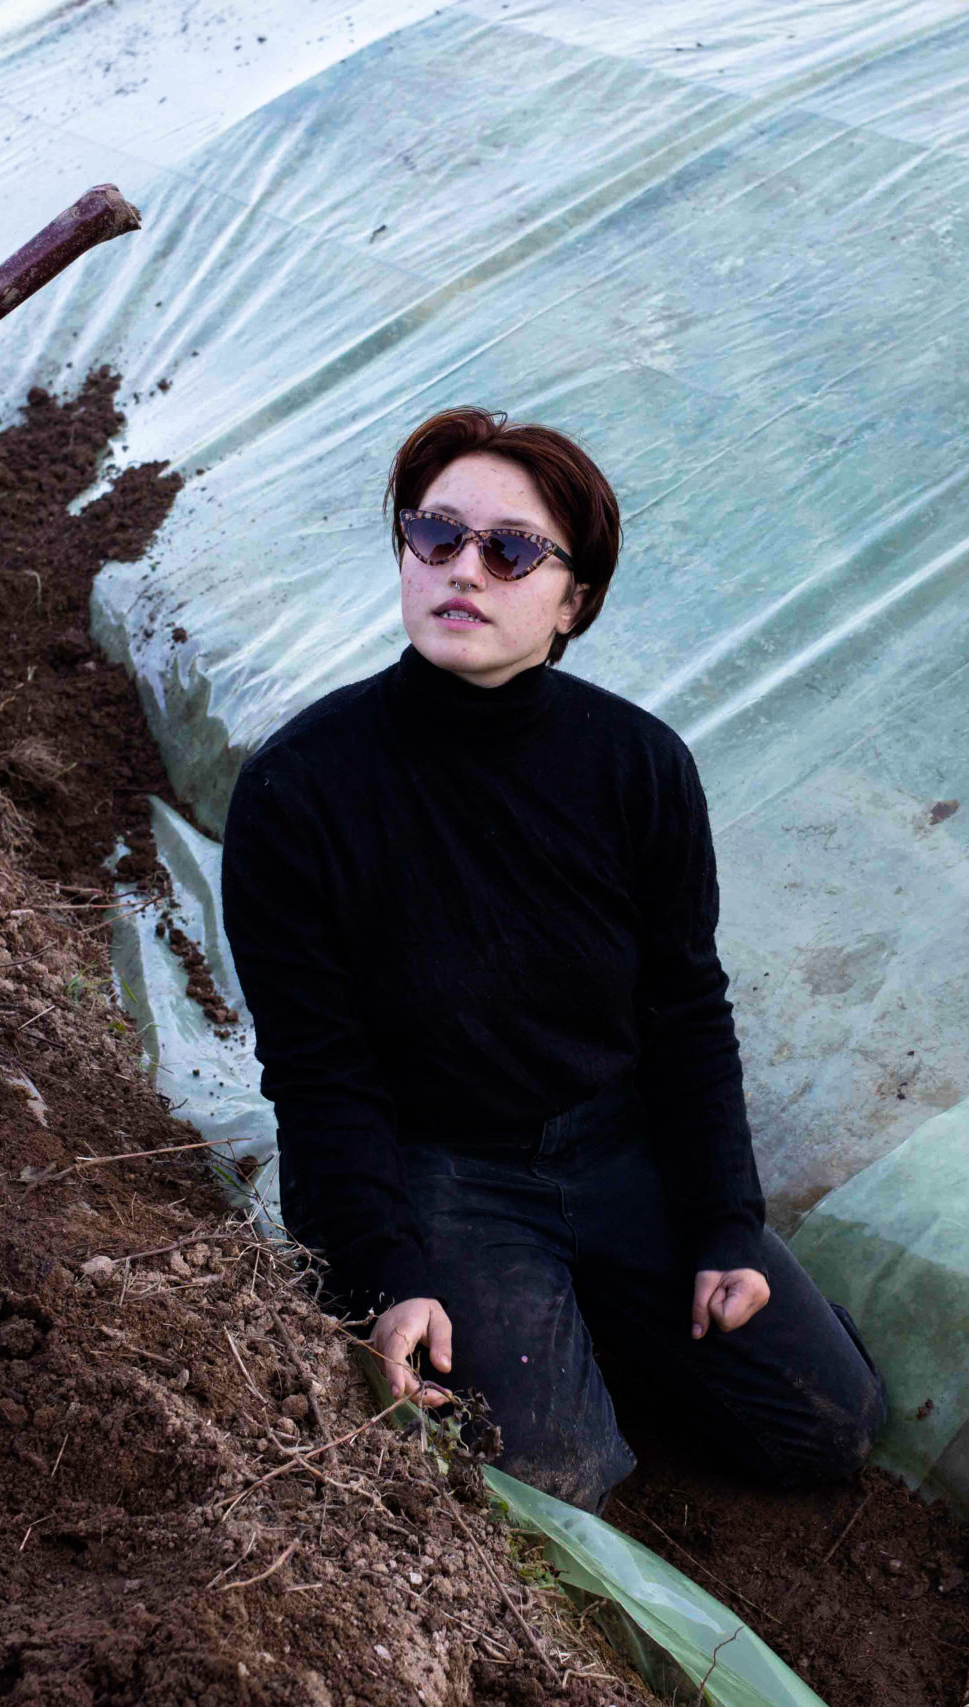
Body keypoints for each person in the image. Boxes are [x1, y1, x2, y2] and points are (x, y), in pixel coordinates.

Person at [220, 406, 887, 1510]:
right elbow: (318, 1068)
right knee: (552, 1484)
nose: (463, 568)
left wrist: (725, 1222)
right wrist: (388, 1272)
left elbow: (686, 1007)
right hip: (439, 1169)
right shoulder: (301, 791)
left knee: (833, 1425)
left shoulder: (637, 766)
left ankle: (602, 1313)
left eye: (512, 549)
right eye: (436, 534)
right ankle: (542, 1331)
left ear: (573, 600)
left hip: (617, 1147)